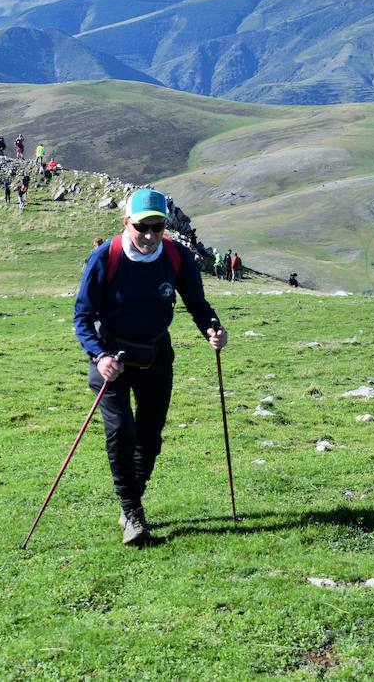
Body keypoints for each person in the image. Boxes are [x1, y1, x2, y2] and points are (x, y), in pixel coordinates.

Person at [73, 188, 227, 546]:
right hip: (111, 359)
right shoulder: (104, 257)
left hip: (156, 356)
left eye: (157, 227)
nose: (149, 236)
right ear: (127, 222)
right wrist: (99, 355)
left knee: (150, 437)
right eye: (142, 227)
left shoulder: (176, 256)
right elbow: (82, 316)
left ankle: (133, 498)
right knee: (120, 431)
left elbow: (197, 302)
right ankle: (131, 511)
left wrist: (213, 328)